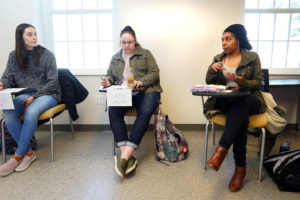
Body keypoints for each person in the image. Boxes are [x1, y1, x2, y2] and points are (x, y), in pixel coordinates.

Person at [204, 24, 266, 192]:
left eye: (228, 39)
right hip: (227, 101)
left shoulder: (252, 57)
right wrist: (212, 69)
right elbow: (209, 81)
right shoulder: (218, 58)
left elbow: (258, 83)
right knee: (240, 116)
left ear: (238, 40)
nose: (224, 43)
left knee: (242, 101)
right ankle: (240, 169)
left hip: (250, 99)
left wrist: (242, 83)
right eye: (222, 40)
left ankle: (221, 150)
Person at [101, 26, 163, 178]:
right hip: (124, 94)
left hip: (146, 91)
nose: (126, 45)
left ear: (135, 41)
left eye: (129, 42)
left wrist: (141, 82)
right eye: (123, 42)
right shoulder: (116, 57)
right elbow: (109, 75)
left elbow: (155, 73)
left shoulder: (145, 54)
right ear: (120, 42)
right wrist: (107, 81)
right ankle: (127, 155)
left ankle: (124, 156)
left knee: (145, 112)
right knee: (113, 110)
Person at [0, 23, 61, 176]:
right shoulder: (14, 56)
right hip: (25, 94)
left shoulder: (47, 55)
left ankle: (17, 156)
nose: (34, 37)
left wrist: (35, 96)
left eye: (35, 34)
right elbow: (8, 76)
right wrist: (2, 84)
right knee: (8, 110)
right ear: (20, 37)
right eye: (29, 34)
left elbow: (53, 81)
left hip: (48, 94)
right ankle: (28, 153)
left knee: (31, 111)